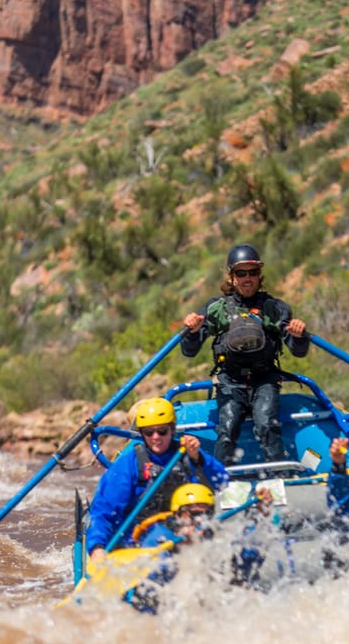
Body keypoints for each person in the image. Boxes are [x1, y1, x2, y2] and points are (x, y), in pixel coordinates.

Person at [181, 243, 310, 465]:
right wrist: (192, 332)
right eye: (241, 273)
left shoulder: (274, 308)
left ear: (260, 276)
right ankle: (221, 483)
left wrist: (299, 335)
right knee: (227, 429)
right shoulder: (217, 309)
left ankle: (280, 479)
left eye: (253, 272)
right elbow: (189, 350)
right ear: (232, 277)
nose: (248, 278)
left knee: (266, 423)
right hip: (230, 381)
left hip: (265, 380)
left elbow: (298, 351)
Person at [86, 397, 228, 561]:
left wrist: (198, 459)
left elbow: (222, 482)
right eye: (148, 432)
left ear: (172, 430)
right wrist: (97, 546)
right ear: (142, 434)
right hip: (142, 536)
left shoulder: (188, 455)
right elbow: (104, 509)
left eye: (162, 431)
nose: (156, 437)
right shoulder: (128, 465)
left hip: (190, 527)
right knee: (162, 550)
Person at [121, 483, 274, 613]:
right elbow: (148, 581)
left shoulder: (214, 534)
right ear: (178, 515)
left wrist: (263, 516)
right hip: (158, 611)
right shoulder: (160, 536)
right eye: (194, 514)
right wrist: (177, 547)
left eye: (207, 514)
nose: (200, 520)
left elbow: (251, 554)